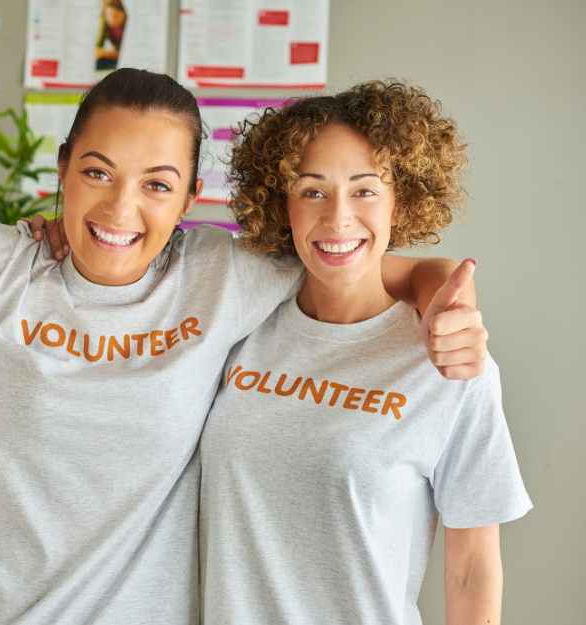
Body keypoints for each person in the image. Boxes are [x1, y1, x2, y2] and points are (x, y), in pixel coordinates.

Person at [0, 67, 488, 625]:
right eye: (97, 171)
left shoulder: (224, 276)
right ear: (62, 173)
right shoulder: (3, 267)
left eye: (157, 184)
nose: (121, 206)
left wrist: (440, 281)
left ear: (191, 201)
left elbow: (353, 254)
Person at [199, 81, 531, 625]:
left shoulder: (451, 359)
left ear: (403, 199)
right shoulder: (238, 326)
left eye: (365, 190)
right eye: (311, 191)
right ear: (281, 203)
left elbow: (472, 566)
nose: (337, 218)